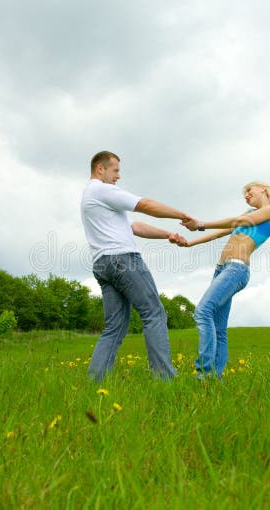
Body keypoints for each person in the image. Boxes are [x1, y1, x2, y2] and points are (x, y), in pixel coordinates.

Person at [82, 151, 197, 381]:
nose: (118, 177)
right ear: (100, 169)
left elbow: (134, 227)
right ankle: (165, 379)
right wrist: (183, 215)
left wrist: (168, 234)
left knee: (115, 326)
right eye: (115, 171)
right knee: (154, 313)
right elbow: (145, 205)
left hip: (103, 265)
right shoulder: (102, 189)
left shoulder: (92, 196)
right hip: (123, 260)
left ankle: (95, 381)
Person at [178, 181, 270, 377]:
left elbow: (238, 222)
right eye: (245, 194)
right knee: (218, 328)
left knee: (202, 312)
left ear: (264, 189)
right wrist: (190, 243)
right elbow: (222, 232)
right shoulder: (249, 213)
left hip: (236, 269)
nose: (246, 195)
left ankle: (204, 373)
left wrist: (200, 223)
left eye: (249, 191)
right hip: (222, 270)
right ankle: (215, 377)